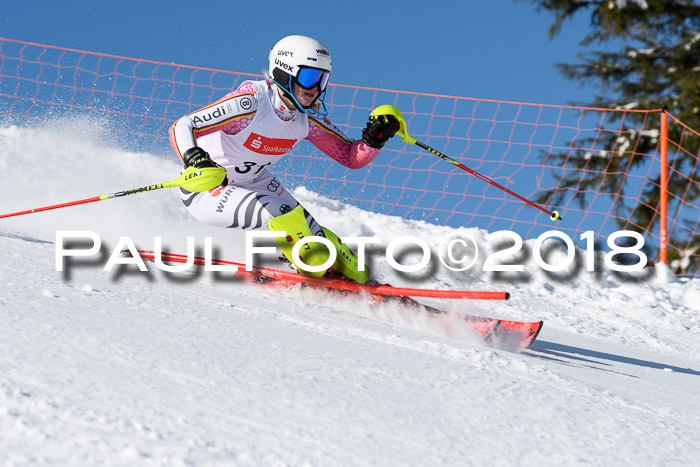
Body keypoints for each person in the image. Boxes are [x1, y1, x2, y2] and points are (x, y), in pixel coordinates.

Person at [168, 35, 400, 284]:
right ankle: (313, 273)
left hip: (254, 181)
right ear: (283, 72)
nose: (315, 89)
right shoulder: (251, 103)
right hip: (209, 188)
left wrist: (375, 139)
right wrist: (194, 158)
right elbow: (184, 124)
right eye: (310, 77)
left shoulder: (306, 119)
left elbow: (351, 157)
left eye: (322, 80)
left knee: (316, 235)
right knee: (281, 216)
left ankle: (363, 281)